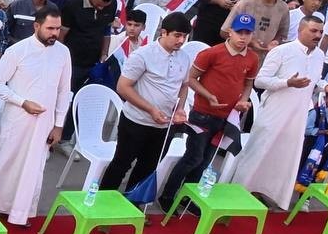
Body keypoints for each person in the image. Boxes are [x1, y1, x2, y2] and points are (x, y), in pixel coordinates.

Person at [0, 5, 72, 222]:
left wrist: (59, 125)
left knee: (34, 168)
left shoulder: (63, 52)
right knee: (5, 163)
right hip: (16, 119)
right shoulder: (17, 51)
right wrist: (22, 103)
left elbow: (63, 91)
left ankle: (21, 213)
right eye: (50, 28)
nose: (54, 33)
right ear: (36, 26)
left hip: (45, 122)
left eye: (57, 29)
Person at [165, 14, 264, 200]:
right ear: (230, 32)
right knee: (193, 158)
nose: (243, 37)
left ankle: (187, 197)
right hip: (202, 114)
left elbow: (248, 83)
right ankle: (168, 196)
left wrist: (243, 100)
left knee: (205, 161)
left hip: (226, 118)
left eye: (247, 33)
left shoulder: (252, 58)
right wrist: (208, 96)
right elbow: (190, 78)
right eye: (239, 32)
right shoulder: (212, 53)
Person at [232, 16, 328, 206]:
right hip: (274, 112)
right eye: (313, 31)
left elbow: (314, 81)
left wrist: (326, 86)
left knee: (283, 158)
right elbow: (260, 81)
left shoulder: (319, 55)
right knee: (258, 152)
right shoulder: (282, 51)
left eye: (320, 32)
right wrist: (287, 83)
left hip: (298, 115)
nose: (318, 35)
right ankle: (237, 194)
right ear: (300, 30)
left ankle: (265, 193)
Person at [99, 14, 193, 195]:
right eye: (177, 35)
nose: (181, 40)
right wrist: (150, 109)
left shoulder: (184, 57)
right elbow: (123, 87)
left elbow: (184, 85)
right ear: (164, 32)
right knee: (121, 164)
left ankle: (132, 203)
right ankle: (103, 202)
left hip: (164, 125)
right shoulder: (143, 54)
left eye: (184, 36)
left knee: (148, 167)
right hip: (136, 121)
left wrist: (180, 108)